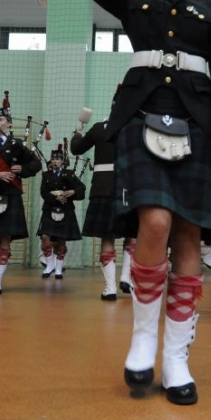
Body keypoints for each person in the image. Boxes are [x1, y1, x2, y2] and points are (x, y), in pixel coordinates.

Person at [69, 0, 211, 405]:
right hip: (140, 118)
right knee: (156, 224)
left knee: (188, 236)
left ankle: (177, 356)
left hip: (200, 124)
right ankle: (143, 336)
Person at [0, 93, 41, 294]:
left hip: (11, 195)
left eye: (1, 119)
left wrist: (22, 169)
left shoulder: (17, 146)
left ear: (9, 124)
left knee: (4, 239)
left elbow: (35, 164)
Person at [70, 115, 137, 300]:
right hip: (128, 188)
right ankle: (126, 277)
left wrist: (77, 133)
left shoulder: (99, 128)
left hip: (103, 188)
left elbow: (76, 149)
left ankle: (110, 288)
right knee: (132, 235)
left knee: (107, 238)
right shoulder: (134, 127)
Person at [36, 145, 86, 279]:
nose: (54, 161)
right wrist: (55, 197)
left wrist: (73, 191)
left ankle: (58, 269)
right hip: (49, 209)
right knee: (45, 237)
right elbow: (43, 192)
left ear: (62, 161)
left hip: (66, 210)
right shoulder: (46, 175)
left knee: (61, 240)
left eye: (57, 159)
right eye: (53, 159)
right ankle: (49, 265)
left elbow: (81, 187)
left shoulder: (69, 174)